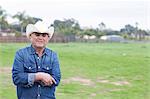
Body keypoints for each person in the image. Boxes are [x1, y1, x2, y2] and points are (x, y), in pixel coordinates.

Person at [12, 21, 61, 99]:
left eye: (44, 35)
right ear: (31, 36)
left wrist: (29, 78)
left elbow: (56, 79)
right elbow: (17, 78)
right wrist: (39, 76)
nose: (40, 38)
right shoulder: (21, 54)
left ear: (48, 38)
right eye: (37, 34)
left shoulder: (53, 56)